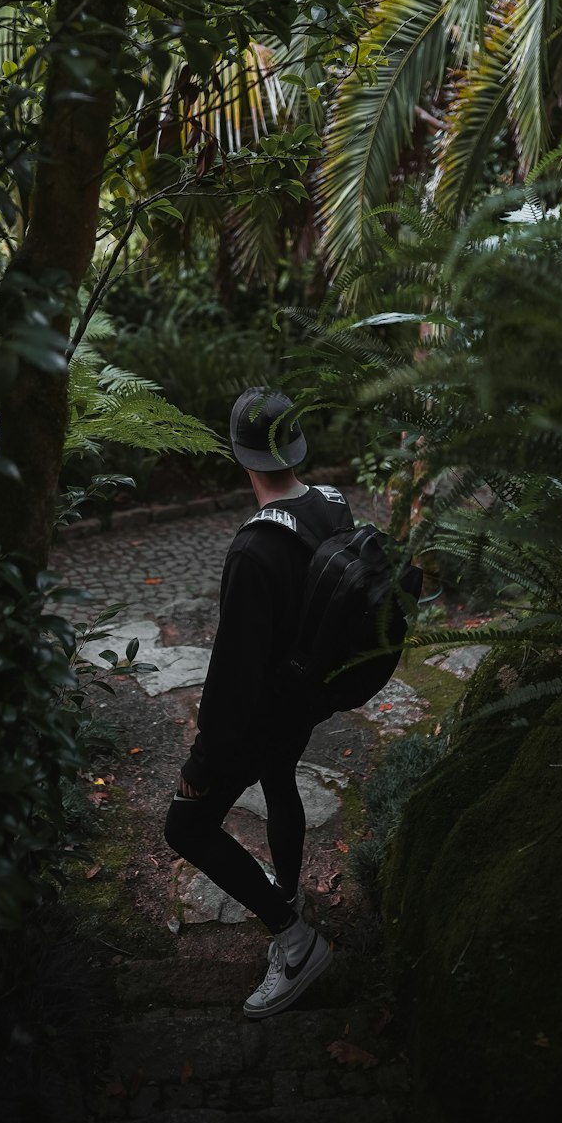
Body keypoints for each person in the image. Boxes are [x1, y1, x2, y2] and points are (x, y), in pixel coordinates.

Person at [164, 387, 353, 1019]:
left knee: (185, 826)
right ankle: (289, 895)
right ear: (297, 449)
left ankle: (295, 940)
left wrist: (201, 764)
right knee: (279, 782)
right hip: (306, 700)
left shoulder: (253, 549)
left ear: (241, 459)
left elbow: (232, 677)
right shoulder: (333, 505)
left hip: (262, 714)